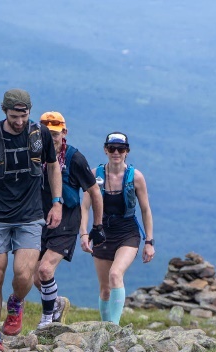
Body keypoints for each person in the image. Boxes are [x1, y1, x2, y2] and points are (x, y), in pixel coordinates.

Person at [0, 89, 62, 350]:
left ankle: (16, 301)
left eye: (24, 115)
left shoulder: (40, 134)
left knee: (23, 272)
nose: (19, 121)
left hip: (30, 215)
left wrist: (56, 203)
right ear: (4, 111)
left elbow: (53, 167)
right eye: (14, 115)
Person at [33, 111, 104, 329]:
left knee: (45, 270)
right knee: (34, 276)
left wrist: (96, 226)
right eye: (46, 133)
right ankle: (56, 303)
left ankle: (46, 321)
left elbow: (94, 192)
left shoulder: (75, 158)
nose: (51, 138)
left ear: (64, 133)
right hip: (38, 219)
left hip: (67, 220)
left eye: (55, 134)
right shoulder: (34, 155)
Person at [89, 131, 154, 324]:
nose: (116, 152)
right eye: (112, 149)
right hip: (102, 232)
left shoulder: (136, 177)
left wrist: (149, 241)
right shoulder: (95, 175)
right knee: (105, 288)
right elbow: (84, 206)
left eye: (121, 149)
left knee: (115, 274)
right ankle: (105, 327)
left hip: (128, 232)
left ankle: (113, 327)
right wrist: (84, 233)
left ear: (127, 151)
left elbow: (145, 210)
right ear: (105, 150)